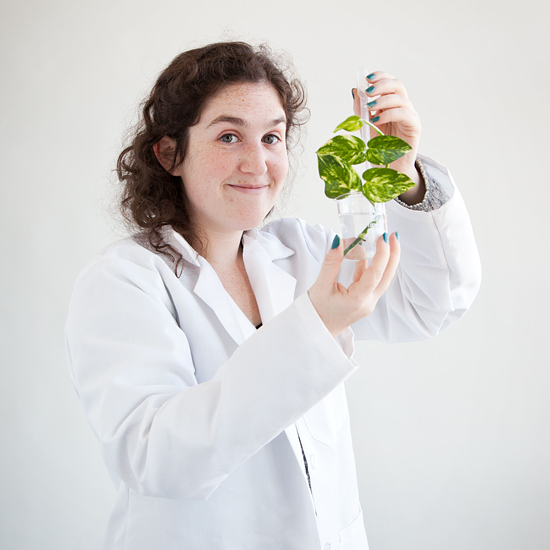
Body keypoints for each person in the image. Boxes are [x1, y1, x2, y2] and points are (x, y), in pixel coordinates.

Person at [65, 41, 481, 550]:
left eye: (271, 138)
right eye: (229, 136)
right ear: (170, 154)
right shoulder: (122, 281)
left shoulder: (301, 250)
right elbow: (157, 459)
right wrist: (315, 326)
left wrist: (406, 177)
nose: (257, 163)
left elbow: (429, 303)